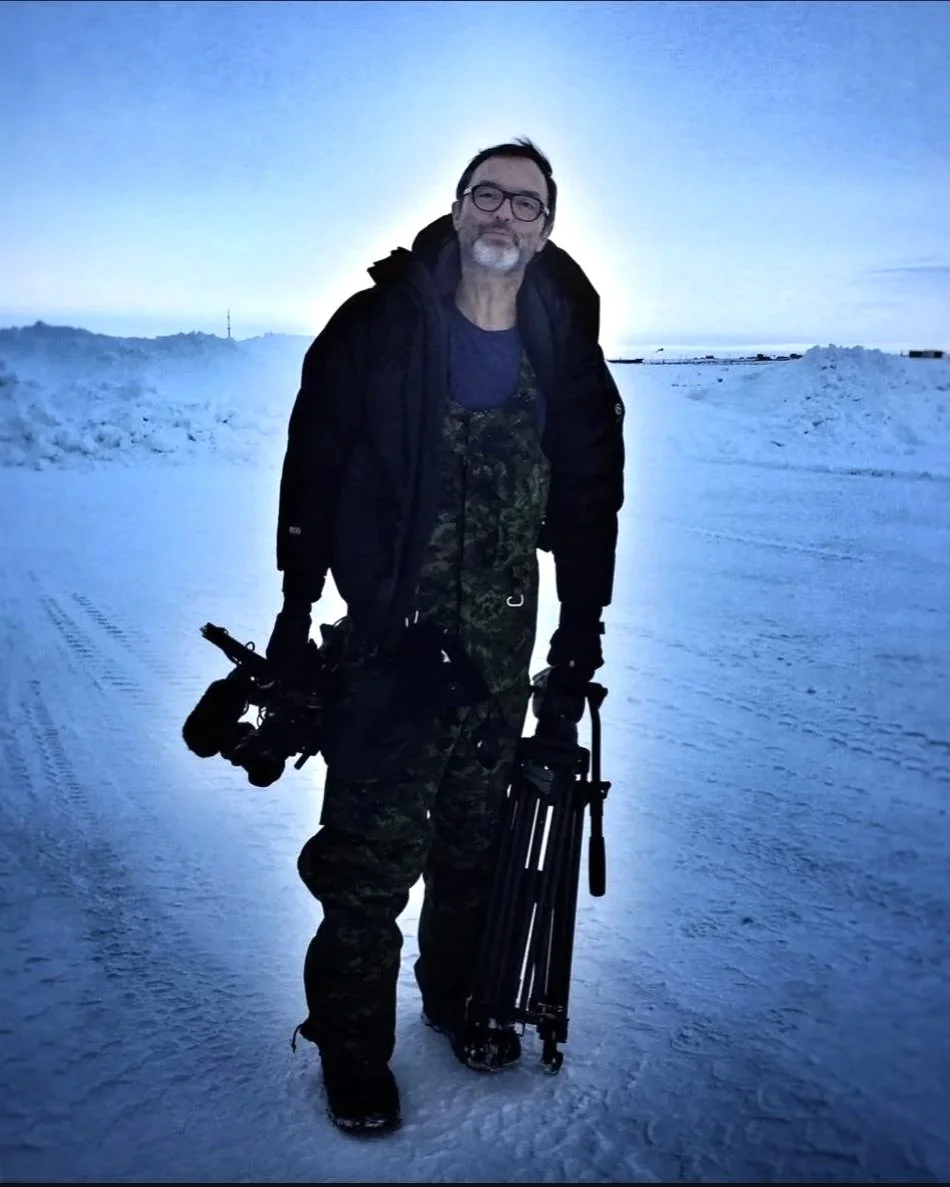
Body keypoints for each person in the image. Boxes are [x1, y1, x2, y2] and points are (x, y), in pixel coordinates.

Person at [266, 138, 625, 1135]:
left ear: (546, 228)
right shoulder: (378, 326)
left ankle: (458, 993)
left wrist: (579, 633)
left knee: (476, 840)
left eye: (525, 202)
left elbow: (590, 500)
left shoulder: (563, 346)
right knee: (370, 855)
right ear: (457, 207)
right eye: (487, 195)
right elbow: (314, 465)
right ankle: (351, 1045)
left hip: (500, 648)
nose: (503, 215)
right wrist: (297, 606)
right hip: (391, 643)